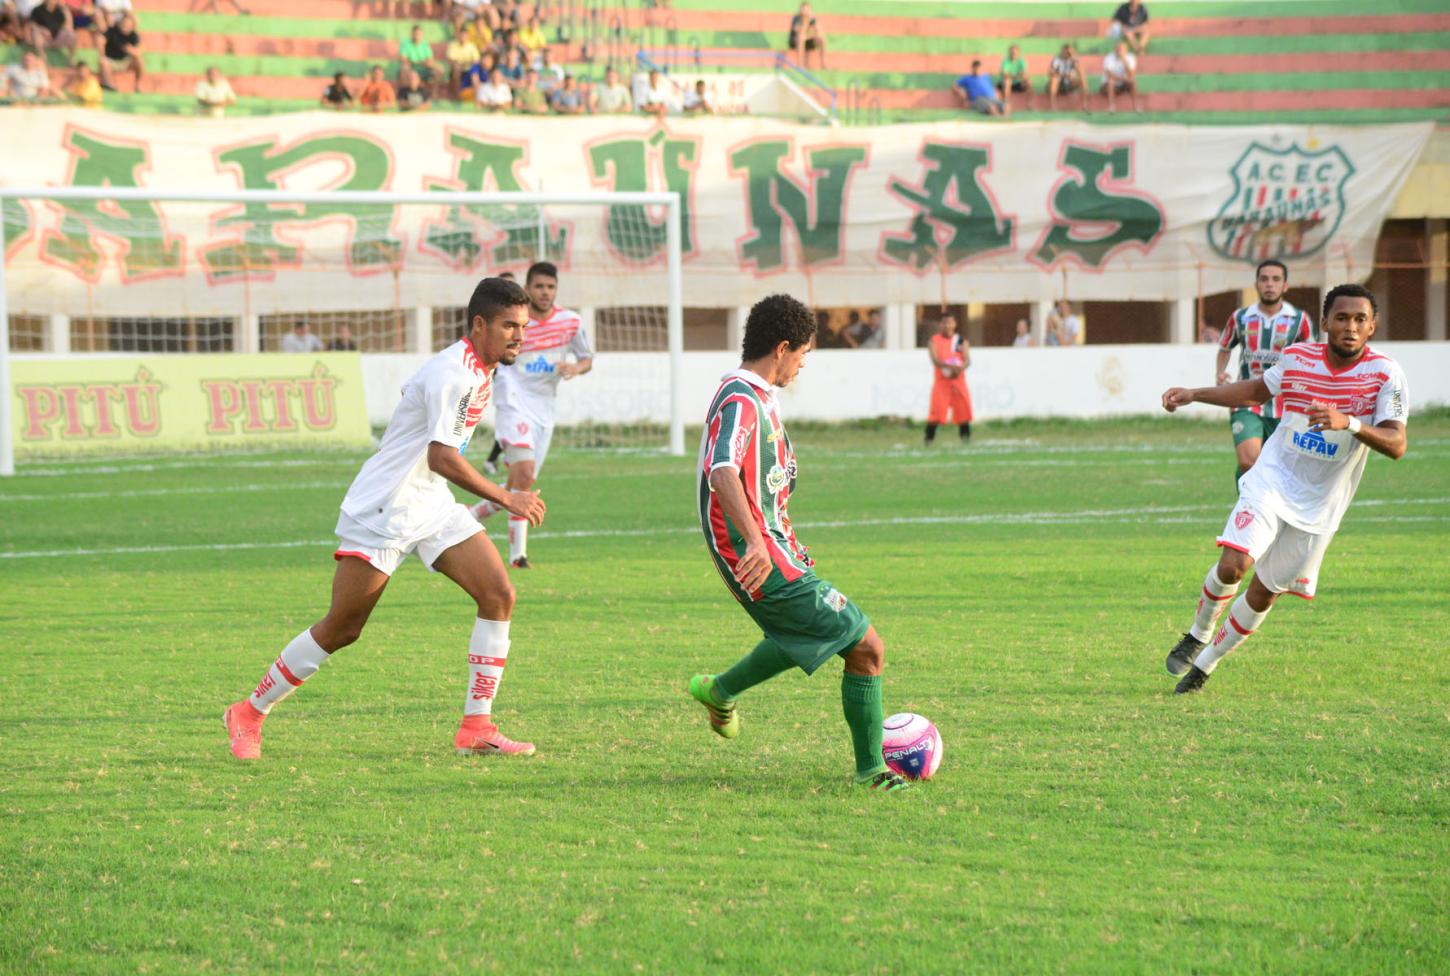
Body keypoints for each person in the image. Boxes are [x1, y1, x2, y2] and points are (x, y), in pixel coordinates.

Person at [223, 277, 548, 761]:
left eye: (523, 326)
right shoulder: (454, 374)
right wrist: (506, 496)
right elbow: (442, 456)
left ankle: (476, 726)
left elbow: (428, 438)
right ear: (479, 325)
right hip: (385, 508)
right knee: (343, 628)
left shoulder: (477, 367)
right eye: (509, 326)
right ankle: (248, 712)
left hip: (430, 503)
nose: (519, 336)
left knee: (499, 593)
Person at [687, 294, 911, 793]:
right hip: (756, 556)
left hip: (775, 548)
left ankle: (718, 691)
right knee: (866, 647)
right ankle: (872, 772)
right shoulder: (741, 399)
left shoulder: (758, 395)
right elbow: (721, 470)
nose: (803, 365)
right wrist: (755, 542)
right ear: (782, 347)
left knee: (806, 632)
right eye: (803, 354)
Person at [1159, 283, 1407, 694]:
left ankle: (1203, 667)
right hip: (1273, 479)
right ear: (1324, 322)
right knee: (1234, 563)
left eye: (1360, 319)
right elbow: (1257, 390)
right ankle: (1198, 633)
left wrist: (1351, 423)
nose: (1350, 326)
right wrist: (1194, 394)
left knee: (1264, 592)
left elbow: (1397, 444)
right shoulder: (1298, 358)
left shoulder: (1385, 374)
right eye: (1342, 318)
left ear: (1372, 327)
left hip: (1321, 505)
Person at [468, 262, 592, 569]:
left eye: (550, 287)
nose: (545, 292)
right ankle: (518, 555)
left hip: (544, 410)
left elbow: (587, 357)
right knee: (523, 473)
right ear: (527, 288)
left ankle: (468, 517)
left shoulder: (571, 322)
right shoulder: (514, 322)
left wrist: (575, 368)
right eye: (539, 286)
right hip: (512, 401)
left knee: (520, 484)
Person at [1215, 260, 1318, 483]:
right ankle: (1247, 506)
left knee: (1281, 466)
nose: (1269, 284)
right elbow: (1225, 348)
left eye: (1275, 279)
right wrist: (1220, 372)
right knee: (1248, 460)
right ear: (1256, 284)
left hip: (1285, 403)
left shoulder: (1299, 320)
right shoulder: (1240, 318)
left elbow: (1314, 355)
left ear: (1285, 286)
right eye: (1264, 279)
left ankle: (1265, 506)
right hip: (1246, 399)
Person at [925, 313, 973, 443]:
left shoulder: (960, 340)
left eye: (950, 322)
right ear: (940, 324)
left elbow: (967, 360)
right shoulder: (934, 340)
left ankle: (966, 441)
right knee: (936, 413)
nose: (947, 325)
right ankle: (928, 441)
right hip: (942, 382)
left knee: (963, 412)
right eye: (945, 322)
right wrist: (949, 366)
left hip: (958, 380)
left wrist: (960, 368)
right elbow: (935, 360)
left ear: (955, 324)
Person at [98, 12, 142, 92]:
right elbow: (100, 39)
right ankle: (109, 85)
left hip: (125, 62)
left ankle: (138, 84)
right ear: (120, 23)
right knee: (103, 62)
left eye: (128, 24)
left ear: (132, 26)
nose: (126, 26)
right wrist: (102, 54)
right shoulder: (112, 31)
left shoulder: (133, 35)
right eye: (124, 23)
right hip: (111, 61)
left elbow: (138, 52)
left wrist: (130, 50)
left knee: (139, 61)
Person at [1047, 42, 1088, 112]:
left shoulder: (1073, 59)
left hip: (1070, 83)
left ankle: (1084, 104)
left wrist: (1073, 60)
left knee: (1083, 80)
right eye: (1065, 51)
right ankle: (1053, 106)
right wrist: (1063, 75)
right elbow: (1050, 72)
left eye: (1069, 52)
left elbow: (1081, 71)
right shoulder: (1057, 59)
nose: (1066, 53)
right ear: (1062, 51)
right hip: (1059, 84)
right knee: (1055, 79)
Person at [1101, 40, 1139, 113]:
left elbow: (1132, 74)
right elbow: (1109, 74)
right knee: (1111, 81)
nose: (1119, 50)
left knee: (1133, 81)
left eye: (1121, 49)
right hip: (1108, 85)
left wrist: (1124, 60)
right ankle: (1112, 107)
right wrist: (1123, 79)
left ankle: (1136, 106)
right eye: (1117, 48)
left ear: (1126, 50)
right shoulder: (1109, 57)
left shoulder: (1130, 57)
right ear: (1114, 49)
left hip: (1123, 84)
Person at [787, 2, 825, 71]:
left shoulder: (812, 19)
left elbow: (818, 32)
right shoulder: (797, 18)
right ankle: (800, 65)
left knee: (821, 39)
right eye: (803, 9)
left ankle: (824, 63)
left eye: (807, 9)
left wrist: (813, 21)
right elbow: (798, 31)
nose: (805, 11)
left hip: (808, 40)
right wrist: (805, 21)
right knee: (801, 38)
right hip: (796, 42)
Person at [398, 23, 438, 88]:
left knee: (438, 70)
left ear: (422, 35)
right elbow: (402, 59)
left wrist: (424, 63)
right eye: (416, 34)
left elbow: (430, 60)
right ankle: (404, 93)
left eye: (419, 34)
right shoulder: (405, 43)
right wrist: (417, 62)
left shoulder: (425, 44)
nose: (417, 35)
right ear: (412, 34)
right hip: (411, 67)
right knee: (404, 68)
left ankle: (433, 94)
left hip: (423, 67)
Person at [998, 44, 1029, 111]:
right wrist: (1015, 76)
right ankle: (1006, 104)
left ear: (1018, 53)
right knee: (1007, 81)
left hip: (1017, 83)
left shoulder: (1021, 61)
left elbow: (1023, 73)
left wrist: (1015, 76)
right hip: (1006, 83)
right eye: (1012, 52)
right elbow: (1004, 74)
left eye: (1015, 52)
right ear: (1009, 53)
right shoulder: (1006, 61)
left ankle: (1029, 103)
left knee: (1028, 82)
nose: (1013, 54)